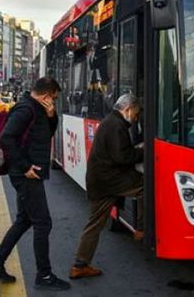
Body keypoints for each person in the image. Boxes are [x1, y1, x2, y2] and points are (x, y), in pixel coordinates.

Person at [0, 77, 71, 291]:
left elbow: (45, 135)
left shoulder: (38, 109)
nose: (55, 102)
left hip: (29, 173)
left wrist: (51, 116)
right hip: (26, 175)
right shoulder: (26, 110)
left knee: (24, 219)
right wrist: (25, 167)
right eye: (55, 99)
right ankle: (44, 275)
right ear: (46, 95)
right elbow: (6, 138)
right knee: (43, 222)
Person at [69, 93, 144, 279]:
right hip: (111, 181)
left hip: (100, 181)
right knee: (146, 186)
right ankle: (142, 229)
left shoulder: (111, 121)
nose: (135, 119)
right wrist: (142, 151)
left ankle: (80, 265)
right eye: (135, 114)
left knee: (94, 223)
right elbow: (123, 157)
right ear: (127, 109)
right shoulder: (116, 126)